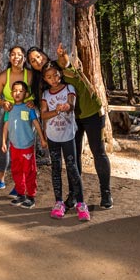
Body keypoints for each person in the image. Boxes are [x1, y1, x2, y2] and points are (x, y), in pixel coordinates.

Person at [27, 43, 113, 209]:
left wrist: (62, 54)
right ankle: (75, 194)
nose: (37, 61)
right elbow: (45, 106)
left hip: (91, 112)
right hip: (70, 120)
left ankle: (106, 192)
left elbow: (65, 61)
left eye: (38, 56)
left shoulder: (59, 66)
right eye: (33, 61)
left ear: (44, 55)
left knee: (98, 151)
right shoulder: (43, 82)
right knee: (73, 158)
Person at [40, 62, 89, 221]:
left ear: (60, 74)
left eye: (55, 75)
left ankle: (81, 204)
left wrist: (66, 106)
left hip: (68, 135)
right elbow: (43, 115)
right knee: (55, 168)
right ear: (45, 79)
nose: (53, 79)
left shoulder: (69, 89)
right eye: (48, 77)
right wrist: (55, 112)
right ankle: (59, 203)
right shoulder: (46, 94)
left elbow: (71, 105)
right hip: (53, 136)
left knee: (72, 167)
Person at [0, 46, 35, 192]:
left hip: (26, 114)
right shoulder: (3, 76)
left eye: (19, 55)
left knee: (24, 146)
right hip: (10, 113)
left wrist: (33, 102)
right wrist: (2, 102)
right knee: (4, 145)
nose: (16, 57)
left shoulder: (30, 75)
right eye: (13, 54)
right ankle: (0, 180)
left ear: (24, 59)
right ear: (9, 58)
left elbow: (39, 92)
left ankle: (21, 184)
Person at [2, 81, 47, 209]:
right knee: (16, 170)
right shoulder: (9, 109)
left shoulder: (29, 108)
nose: (17, 93)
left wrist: (42, 139)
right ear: (11, 93)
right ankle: (21, 194)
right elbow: (6, 126)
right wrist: (3, 142)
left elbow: (36, 123)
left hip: (27, 145)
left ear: (26, 94)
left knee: (29, 171)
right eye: (15, 91)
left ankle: (31, 196)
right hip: (14, 146)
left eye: (21, 91)